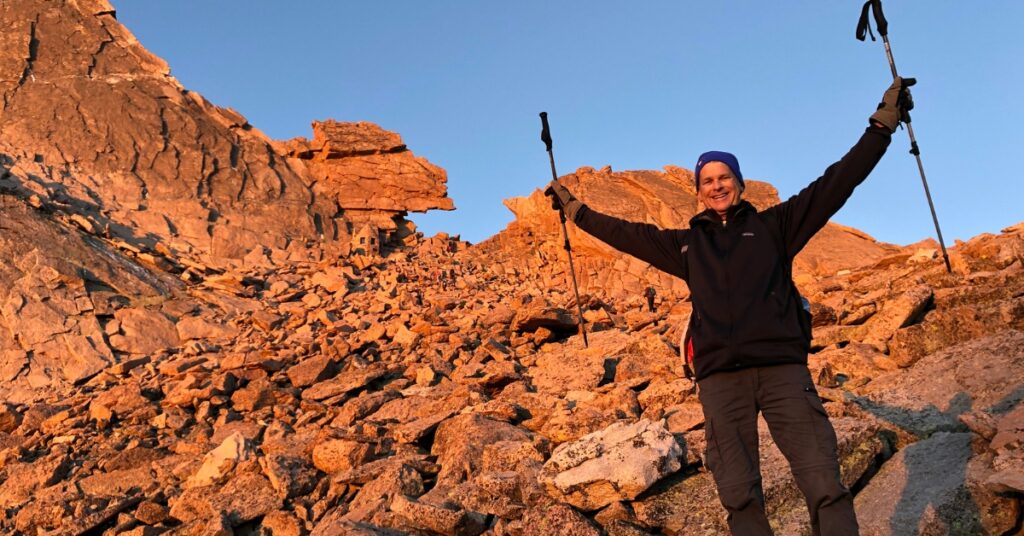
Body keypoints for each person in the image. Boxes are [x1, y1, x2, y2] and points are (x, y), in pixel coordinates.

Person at [545, 77, 915, 536]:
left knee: (823, 481)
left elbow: (838, 182)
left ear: (739, 183)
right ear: (698, 191)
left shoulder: (775, 227)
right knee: (739, 495)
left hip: (783, 371)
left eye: (724, 178)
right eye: (707, 181)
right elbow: (625, 234)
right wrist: (575, 210)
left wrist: (882, 124)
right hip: (721, 381)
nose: (716, 186)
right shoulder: (684, 246)